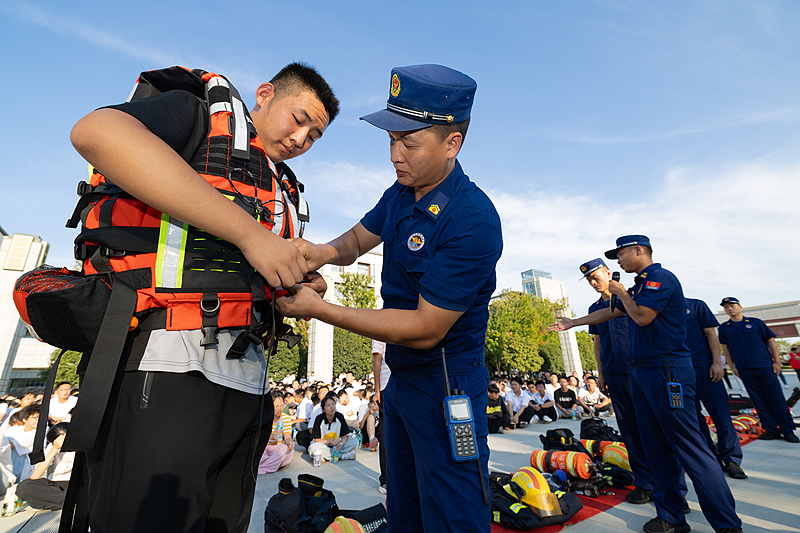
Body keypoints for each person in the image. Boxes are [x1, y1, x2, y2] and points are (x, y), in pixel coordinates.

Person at [68, 63, 339, 533]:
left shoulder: (281, 186)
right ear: (265, 94)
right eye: (298, 120)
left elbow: (231, 269)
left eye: (314, 136)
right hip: (166, 366)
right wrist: (253, 236)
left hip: (247, 390)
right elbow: (96, 131)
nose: (301, 140)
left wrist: (291, 286)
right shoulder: (198, 115)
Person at [277, 64, 501, 533]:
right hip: (403, 381)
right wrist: (318, 251)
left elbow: (424, 328)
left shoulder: (472, 219)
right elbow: (358, 239)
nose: (395, 155)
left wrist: (320, 310)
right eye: (391, 140)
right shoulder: (401, 192)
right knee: (404, 503)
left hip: (447, 384)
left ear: (452, 143)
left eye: (410, 143)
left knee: (454, 509)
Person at [551, 235, 742, 533]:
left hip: (666, 372)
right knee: (655, 447)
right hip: (642, 373)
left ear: (639, 250)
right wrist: (572, 323)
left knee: (690, 447)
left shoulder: (660, 279)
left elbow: (640, 317)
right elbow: (613, 312)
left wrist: (621, 294)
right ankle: (671, 516)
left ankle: (726, 524)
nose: (619, 261)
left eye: (621, 254)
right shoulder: (638, 286)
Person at [579, 257, 654, 504]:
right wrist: (601, 373)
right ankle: (645, 483)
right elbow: (598, 342)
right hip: (614, 372)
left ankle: (668, 486)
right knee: (629, 431)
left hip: (640, 370)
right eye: (589, 279)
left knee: (652, 428)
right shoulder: (593, 309)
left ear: (607, 272)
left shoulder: (631, 296)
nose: (593, 282)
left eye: (595, 276)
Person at [718, 297, 798, 443]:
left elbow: (770, 341)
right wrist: (732, 366)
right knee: (758, 400)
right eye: (726, 307)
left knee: (776, 398)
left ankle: (787, 429)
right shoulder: (724, 328)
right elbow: (725, 348)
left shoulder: (755, 322)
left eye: (732, 306)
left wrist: (777, 361)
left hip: (764, 366)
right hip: (744, 368)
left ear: (740, 307)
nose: (729, 309)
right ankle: (770, 429)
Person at [684, 298, 746, 478]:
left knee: (721, 414)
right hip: (679, 371)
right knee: (693, 418)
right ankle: (710, 458)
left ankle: (732, 459)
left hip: (705, 367)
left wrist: (717, 363)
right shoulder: (658, 308)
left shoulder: (695, 306)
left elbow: (711, 334)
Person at [16, 423, 73, 510]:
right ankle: (70, 501)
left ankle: (69, 500)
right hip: (58, 486)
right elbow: (35, 477)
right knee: (24, 487)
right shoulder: (52, 447)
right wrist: (54, 449)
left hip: (79, 484)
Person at [307, 395, 357, 462]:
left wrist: (341, 444)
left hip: (336, 445)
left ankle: (329, 456)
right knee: (313, 448)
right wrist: (330, 441)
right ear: (323, 409)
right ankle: (341, 456)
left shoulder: (339, 416)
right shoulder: (319, 418)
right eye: (328, 405)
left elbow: (344, 436)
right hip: (323, 445)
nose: (332, 407)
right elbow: (316, 440)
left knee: (354, 441)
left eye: (333, 404)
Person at [258, 391, 295, 474]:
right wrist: (270, 436)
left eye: (282, 406)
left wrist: (290, 442)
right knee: (258, 453)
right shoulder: (263, 418)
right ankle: (273, 465)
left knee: (286, 449)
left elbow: (287, 437)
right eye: (277, 406)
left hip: (276, 449)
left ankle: (261, 467)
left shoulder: (285, 418)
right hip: (263, 448)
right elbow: (258, 439)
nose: (280, 408)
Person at [372, 339, 390, 493]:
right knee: (386, 434)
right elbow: (377, 359)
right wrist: (377, 390)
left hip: (402, 383)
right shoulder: (381, 324)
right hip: (386, 386)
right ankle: (385, 479)